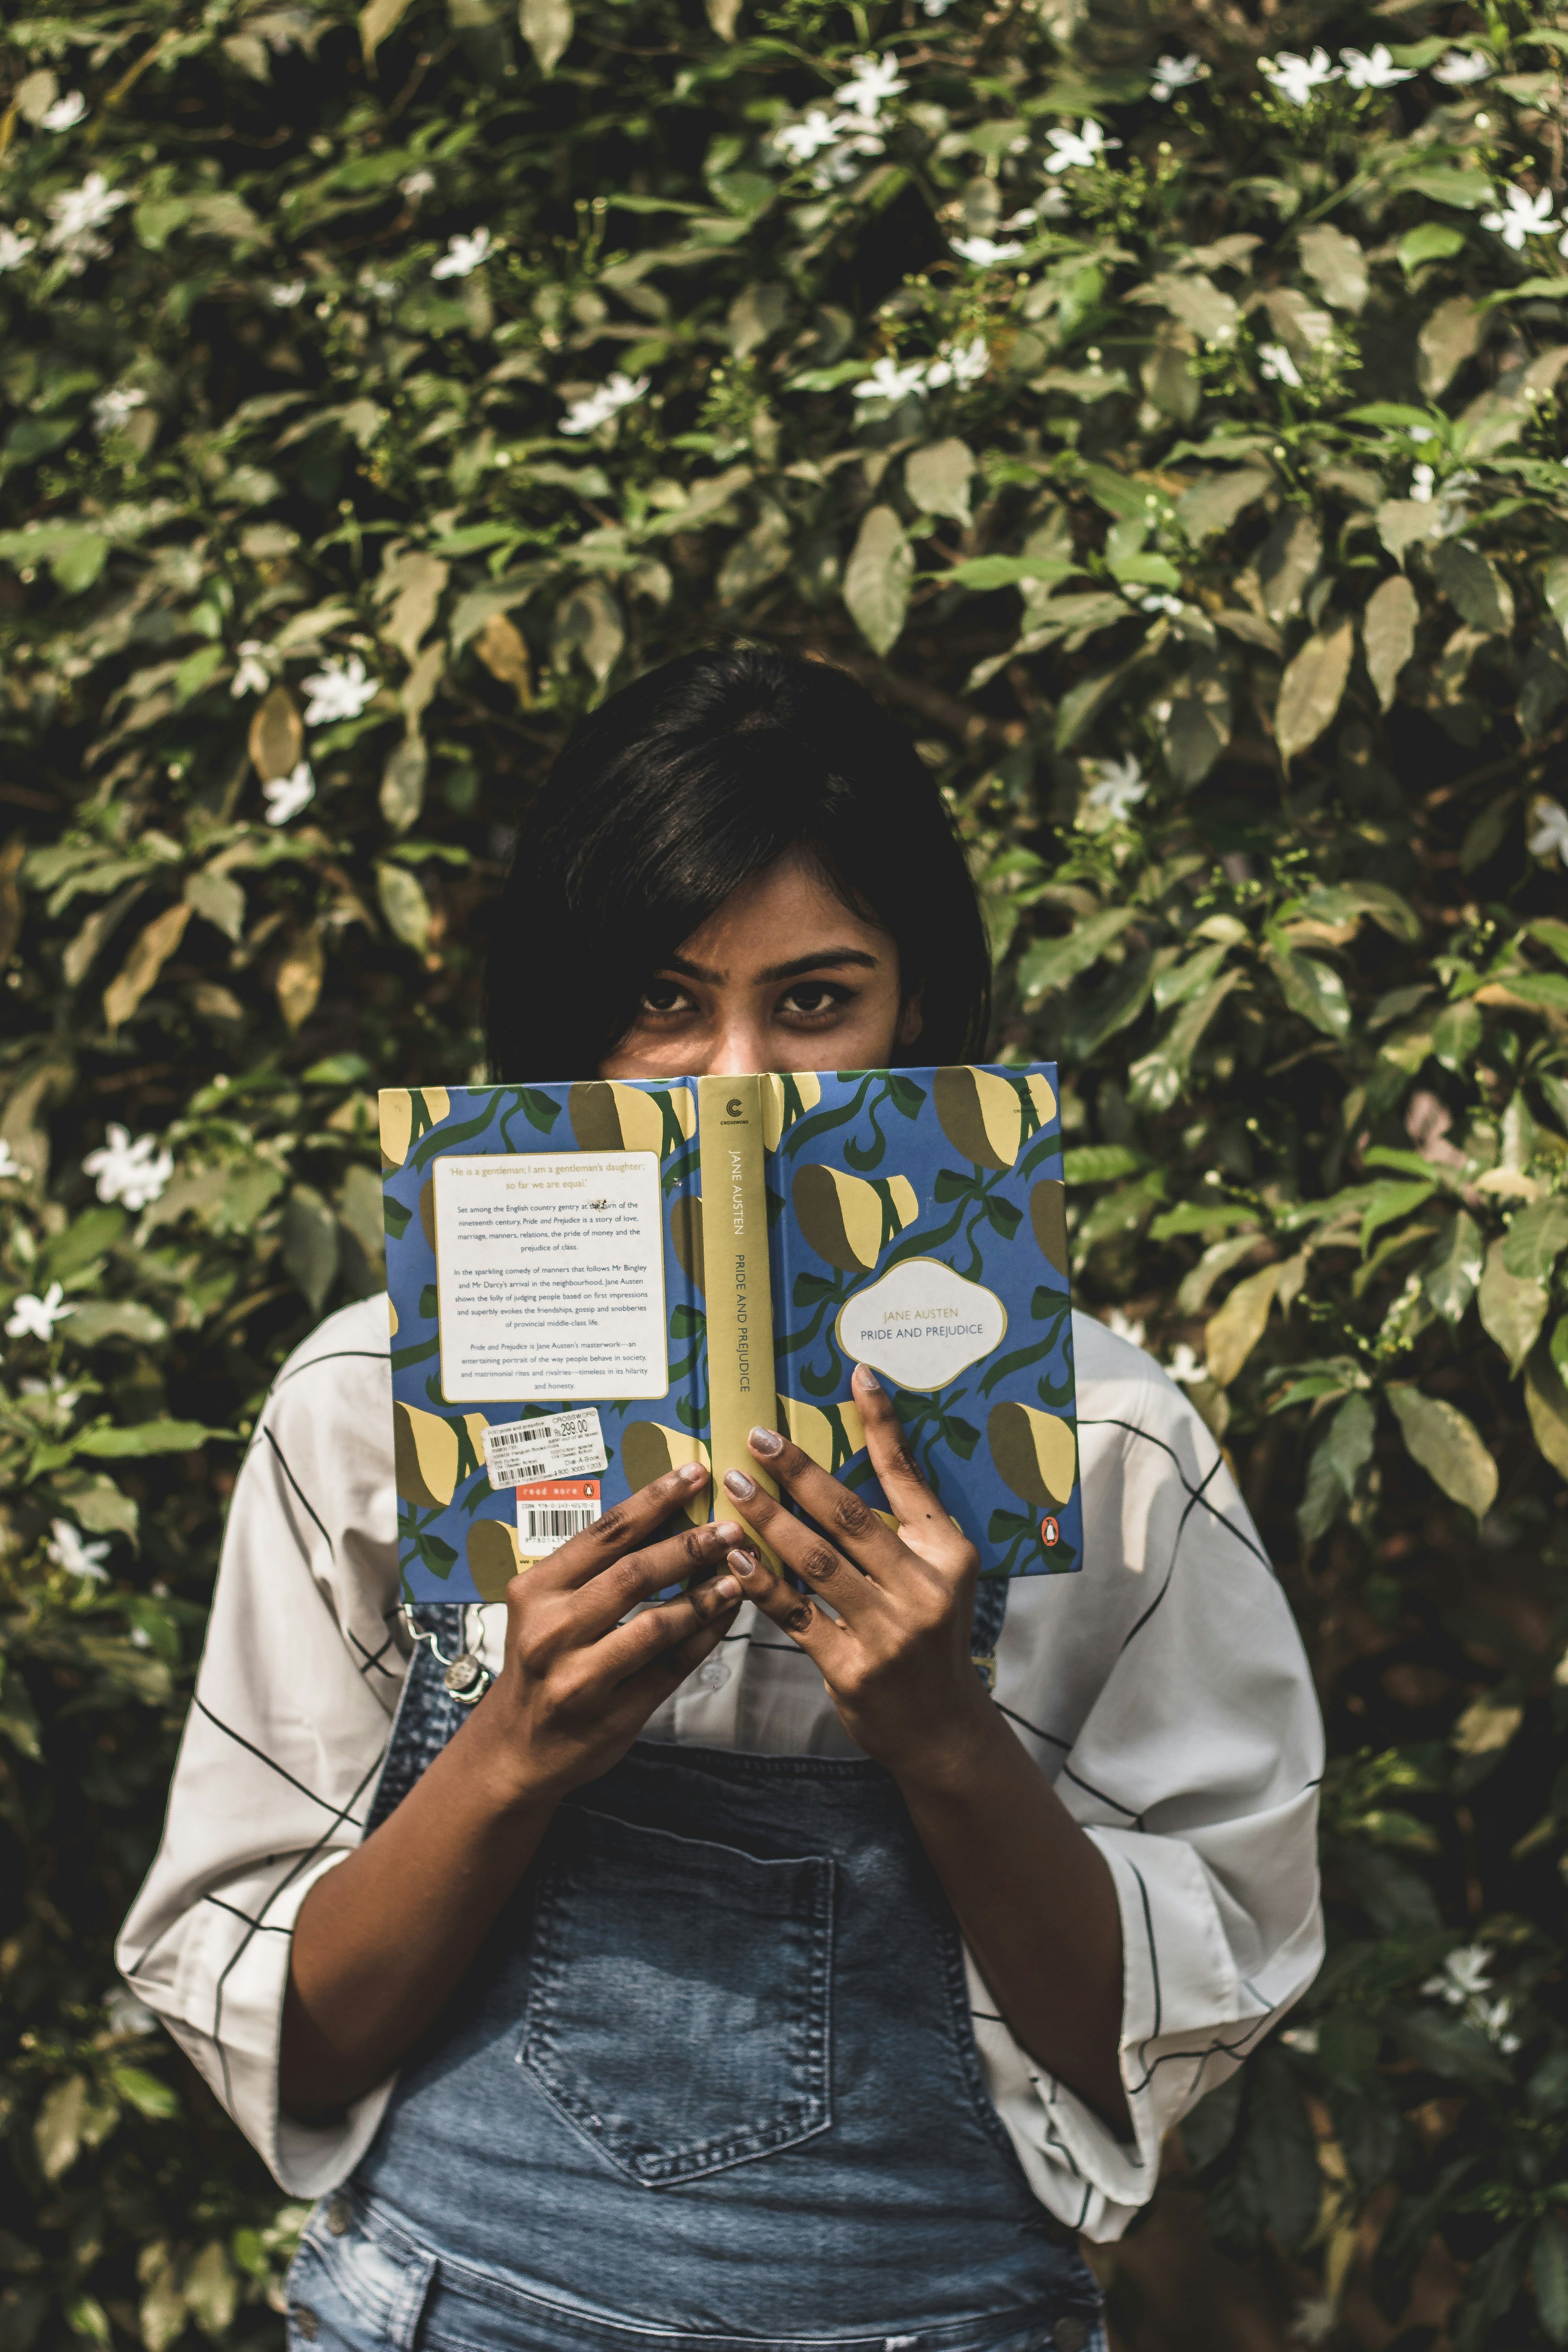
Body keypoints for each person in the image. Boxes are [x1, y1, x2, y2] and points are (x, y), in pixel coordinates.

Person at [118, 645, 1323, 2352]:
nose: (736, 1078)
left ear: (923, 1010)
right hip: (449, 2310)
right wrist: (516, 1741)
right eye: (664, 999)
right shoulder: (368, 1403)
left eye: (816, 1002)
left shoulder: (1109, 1440)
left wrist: (947, 1739)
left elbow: (1168, 2031)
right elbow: (286, 2037)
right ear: (565, 1012)